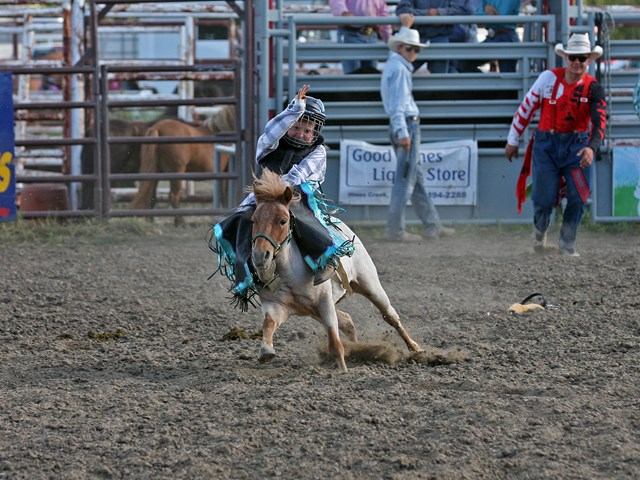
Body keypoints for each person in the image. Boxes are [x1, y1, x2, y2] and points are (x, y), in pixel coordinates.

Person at [210, 85, 354, 309]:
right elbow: (272, 131)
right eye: (297, 127)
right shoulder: (271, 144)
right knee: (240, 220)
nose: (302, 133)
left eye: (308, 131)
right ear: (288, 126)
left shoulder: (318, 151)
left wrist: (280, 189)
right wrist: (295, 110)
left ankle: (323, 258)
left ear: (315, 133)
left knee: (307, 221)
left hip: (298, 195)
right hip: (266, 196)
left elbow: (301, 174)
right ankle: (246, 271)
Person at [505, 33, 607, 257]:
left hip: (577, 145)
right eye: (573, 58)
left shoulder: (594, 88)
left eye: (582, 58)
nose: (577, 63)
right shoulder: (547, 78)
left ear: (588, 59)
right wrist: (513, 139)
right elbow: (527, 107)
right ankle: (540, 232)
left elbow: (600, 120)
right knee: (543, 196)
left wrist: (592, 147)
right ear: (566, 58)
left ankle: (567, 243)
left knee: (578, 195)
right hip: (547, 144)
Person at [381, 27, 455, 242]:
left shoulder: (395, 65)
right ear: (402, 48)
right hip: (407, 124)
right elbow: (397, 105)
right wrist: (403, 131)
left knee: (415, 176)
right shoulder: (400, 69)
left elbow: (395, 105)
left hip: (403, 124)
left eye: (416, 49)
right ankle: (396, 230)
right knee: (406, 179)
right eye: (412, 49)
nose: (415, 53)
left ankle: (432, 224)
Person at [396, 0, 473, 73]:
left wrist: (438, 13)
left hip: (439, 38)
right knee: (400, 73)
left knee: (440, 80)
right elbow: (402, 10)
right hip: (415, 38)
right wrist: (429, 14)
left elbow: (462, 10)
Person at [329, 0, 392, 74]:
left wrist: (389, 39)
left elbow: (383, 13)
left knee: (369, 73)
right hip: (351, 32)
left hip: (369, 33)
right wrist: (343, 12)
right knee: (354, 74)